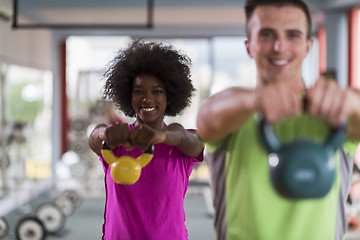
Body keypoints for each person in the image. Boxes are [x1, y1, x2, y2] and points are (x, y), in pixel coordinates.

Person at [196, 0, 360, 239]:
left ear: (307, 46)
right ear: (249, 46)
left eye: (292, 35)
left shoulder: (333, 112)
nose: (278, 46)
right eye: (266, 35)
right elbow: (206, 118)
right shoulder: (234, 109)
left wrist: (351, 102)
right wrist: (257, 100)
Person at [88, 39, 204, 240]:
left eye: (157, 91)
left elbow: (187, 137)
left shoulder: (178, 144)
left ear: (170, 96)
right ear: (129, 97)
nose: (147, 99)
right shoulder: (118, 142)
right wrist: (104, 133)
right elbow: (95, 137)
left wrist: (163, 136)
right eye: (139, 92)